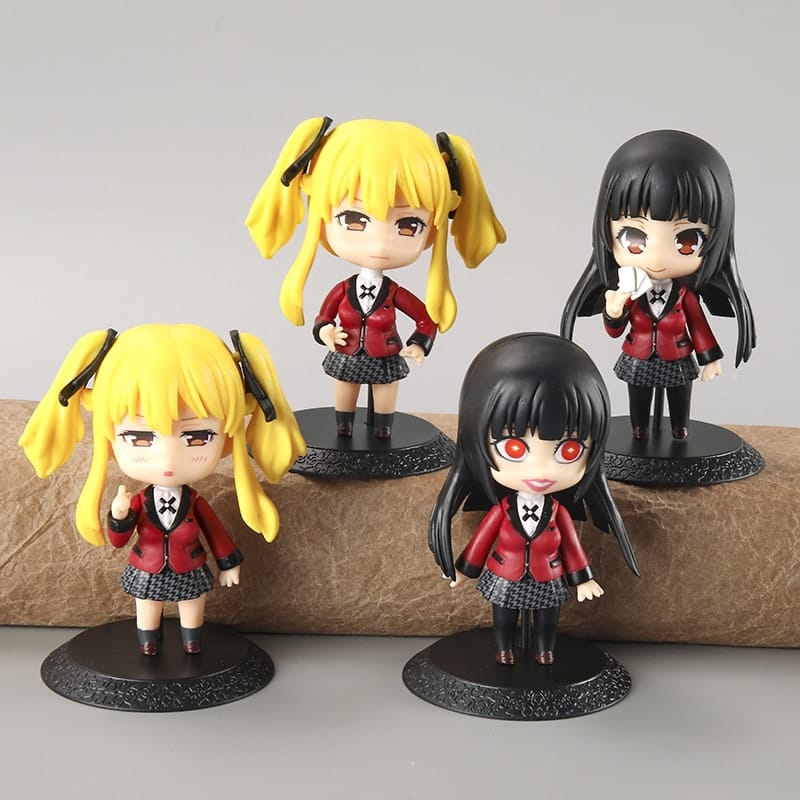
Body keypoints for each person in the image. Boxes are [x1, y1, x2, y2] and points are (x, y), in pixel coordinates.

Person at [19, 324, 305, 654]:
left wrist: (228, 562)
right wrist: (120, 516)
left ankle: (192, 641)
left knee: (192, 604)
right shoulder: (139, 501)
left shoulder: (195, 502)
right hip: (147, 566)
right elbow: (118, 541)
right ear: (109, 436)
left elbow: (215, 533)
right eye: (140, 438)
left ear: (228, 435)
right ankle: (148, 644)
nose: (168, 458)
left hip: (190, 566)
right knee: (147, 606)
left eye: (197, 437)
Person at [246, 116, 505, 438]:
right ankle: (343, 425)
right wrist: (326, 331)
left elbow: (426, 318)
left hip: (385, 355)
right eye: (354, 220)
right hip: (347, 353)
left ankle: (383, 428)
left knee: (385, 394)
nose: (380, 244)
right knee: (345, 390)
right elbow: (324, 316)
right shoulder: (343, 289)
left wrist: (419, 344)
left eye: (408, 225)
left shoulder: (395, 293)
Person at [429, 332, 638, 665]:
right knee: (504, 615)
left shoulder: (558, 512)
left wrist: (583, 579)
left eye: (569, 450)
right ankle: (504, 649)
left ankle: (544, 650)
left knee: (546, 617)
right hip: (505, 573)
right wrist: (464, 570)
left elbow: (572, 547)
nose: (541, 470)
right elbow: (482, 541)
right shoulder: (502, 510)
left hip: (547, 574)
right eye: (514, 448)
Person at [560, 130, 755, 439]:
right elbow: (614, 331)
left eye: (687, 241)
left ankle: (679, 427)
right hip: (638, 353)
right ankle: (638, 428)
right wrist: (614, 310)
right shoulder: (631, 290)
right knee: (639, 395)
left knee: (678, 395)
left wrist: (710, 357)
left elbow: (698, 325)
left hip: (676, 354)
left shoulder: (685, 295)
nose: (658, 258)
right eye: (634, 239)